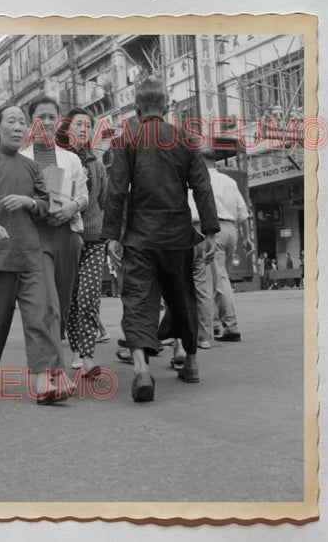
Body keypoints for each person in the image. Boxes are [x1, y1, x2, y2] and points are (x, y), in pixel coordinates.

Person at [102, 79, 219, 402]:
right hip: (178, 235)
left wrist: (112, 235)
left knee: (138, 300)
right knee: (182, 298)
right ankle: (191, 363)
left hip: (140, 237)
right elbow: (202, 185)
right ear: (166, 107)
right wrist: (209, 230)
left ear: (138, 108)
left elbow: (116, 190)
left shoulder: (127, 138)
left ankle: (141, 370)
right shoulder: (183, 138)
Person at [0, 104, 69, 404]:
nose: (18, 127)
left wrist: (29, 201)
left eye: (23, 122)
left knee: (40, 314)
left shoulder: (32, 166)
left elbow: (49, 204)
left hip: (30, 252)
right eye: (11, 121)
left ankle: (41, 382)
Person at [20, 95, 89, 344]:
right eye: (41, 117)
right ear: (31, 122)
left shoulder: (71, 159)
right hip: (36, 238)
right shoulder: (21, 159)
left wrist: (72, 206)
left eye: (52, 117)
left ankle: (54, 354)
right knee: (46, 300)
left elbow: (83, 196)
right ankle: (48, 360)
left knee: (62, 299)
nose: (47, 122)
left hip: (67, 236)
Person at [56, 108, 108, 375]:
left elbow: (104, 202)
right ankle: (75, 349)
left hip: (94, 240)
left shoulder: (97, 164)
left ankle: (87, 356)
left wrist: (111, 237)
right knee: (71, 301)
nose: (83, 129)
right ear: (66, 128)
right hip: (66, 239)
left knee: (88, 299)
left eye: (88, 125)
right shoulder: (58, 162)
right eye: (78, 124)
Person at [194, 150, 254, 343]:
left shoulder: (201, 180)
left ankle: (231, 325)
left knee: (216, 279)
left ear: (201, 162)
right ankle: (216, 323)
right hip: (231, 231)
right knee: (220, 276)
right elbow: (243, 211)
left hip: (213, 230)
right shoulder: (229, 181)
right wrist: (246, 238)